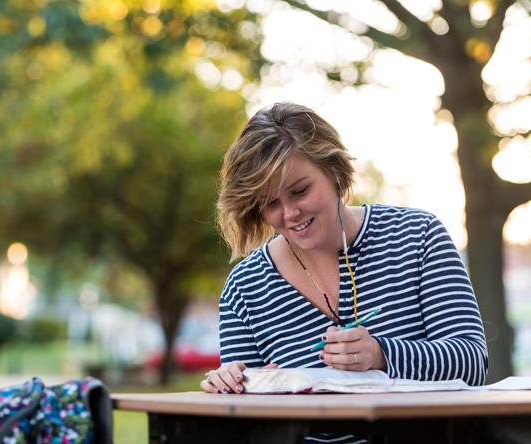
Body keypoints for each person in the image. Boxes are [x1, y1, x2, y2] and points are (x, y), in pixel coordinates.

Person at [201, 102, 488, 439]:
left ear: (334, 172)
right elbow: (244, 422)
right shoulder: (246, 286)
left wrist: (381, 355)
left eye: (300, 191)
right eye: (270, 203)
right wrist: (236, 382)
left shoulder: (418, 237)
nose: (290, 213)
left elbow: (471, 360)